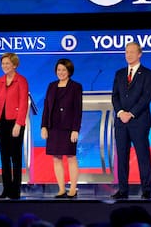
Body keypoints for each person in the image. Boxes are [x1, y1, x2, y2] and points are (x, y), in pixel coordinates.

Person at [111, 42, 151, 200]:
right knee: (122, 156)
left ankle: (147, 189)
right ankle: (123, 190)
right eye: (126, 52)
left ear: (139, 54)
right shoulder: (119, 73)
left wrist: (131, 113)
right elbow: (114, 96)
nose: (128, 55)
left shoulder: (148, 74)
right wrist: (121, 112)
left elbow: (146, 98)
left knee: (143, 156)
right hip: (121, 122)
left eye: (132, 52)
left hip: (139, 121)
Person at [41, 58, 82, 198]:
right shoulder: (51, 86)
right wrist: (44, 126)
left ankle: (73, 189)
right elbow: (46, 108)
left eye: (64, 70)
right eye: (59, 70)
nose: (61, 72)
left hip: (68, 128)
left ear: (69, 71)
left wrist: (75, 129)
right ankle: (61, 189)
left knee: (71, 157)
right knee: (56, 158)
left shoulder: (76, 87)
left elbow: (78, 110)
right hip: (53, 127)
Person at [0, 53, 29, 199]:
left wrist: (19, 124)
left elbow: (23, 103)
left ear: (14, 65)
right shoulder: (0, 81)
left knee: (16, 157)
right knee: (4, 157)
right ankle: (6, 189)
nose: (4, 66)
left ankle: (15, 190)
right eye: (3, 64)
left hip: (15, 122)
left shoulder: (21, 81)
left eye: (7, 63)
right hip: (1, 122)